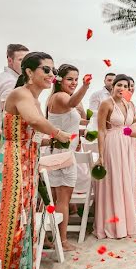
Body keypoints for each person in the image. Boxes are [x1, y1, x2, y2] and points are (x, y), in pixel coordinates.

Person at [0, 52, 72, 269]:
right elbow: (33, 121)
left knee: (22, 222)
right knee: (9, 222)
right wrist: (58, 133)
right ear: (29, 72)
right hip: (11, 161)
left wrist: (47, 141)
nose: (52, 75)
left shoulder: (34, 99)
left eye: (53, 71)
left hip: (27, 160)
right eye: (46, 69)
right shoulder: (20, 94)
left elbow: (31, 131)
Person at [95, 74, 136, 238]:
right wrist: (100, 155)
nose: (122, 89)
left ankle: (125, 222)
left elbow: (125, 129)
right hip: (112, 146)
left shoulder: (127, 104)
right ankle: (114, 225)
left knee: (125, 181)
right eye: (119, 85)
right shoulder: (106, 104)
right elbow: (101, 130)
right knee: (116, 182)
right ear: (113, 86)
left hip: (126, 145)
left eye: (126, 86)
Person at [46, 64, 91, 252]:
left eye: (76, 78)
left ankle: (53, 237)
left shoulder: (60, 97)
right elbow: (72, 104)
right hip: (62, 156)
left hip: (61, 153)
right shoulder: (60, 96)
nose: (74, 82)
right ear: (59, 80)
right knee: (63, 200)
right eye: (70, 79)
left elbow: (74, 116)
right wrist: (85, 86)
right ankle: (62, 241)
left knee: (58, 200)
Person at [0, 43, 29, 126]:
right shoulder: (10, 81)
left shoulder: (5, 77)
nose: (26, 64)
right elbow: (10, 114)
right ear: (10, 60)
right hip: (4, 134)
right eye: (21, 60)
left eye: (28, 60)